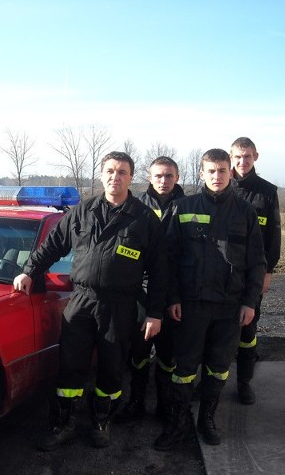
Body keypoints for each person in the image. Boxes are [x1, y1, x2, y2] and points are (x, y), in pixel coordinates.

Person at [13, 151, 167, 450]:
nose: (115, 176)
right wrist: (30, 271)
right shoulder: (83, 211)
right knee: (70, 365)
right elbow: (53, 244)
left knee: (111, 367)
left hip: (119, 305)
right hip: (82, 301)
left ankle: (101, 420)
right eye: (110, 170)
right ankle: (63, 422)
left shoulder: (145, 218)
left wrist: (155, 312)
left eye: (122, 171)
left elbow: (160, 271)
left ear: (131, 178)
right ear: (101, 174)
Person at [154, 149, 266, 450]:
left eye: (222, 170)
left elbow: (257, 262)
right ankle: (177, 425)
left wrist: (249, 302)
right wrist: (173, 297)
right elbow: (169, 258)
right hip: (191, 305)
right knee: (185, 368)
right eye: (211, 171)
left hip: (230, 307)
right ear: (201, 173)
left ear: (230, 172)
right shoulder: (183, 207)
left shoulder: (245, 212)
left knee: (218, 367)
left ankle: (207, 419)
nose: (217, 176)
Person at [114, 156, 185, 423]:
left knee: (169, 353)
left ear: (177, 177)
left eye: (169, 176)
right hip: (142, 290)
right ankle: (136, 401)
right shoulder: (136, 206)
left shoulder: (186, 207)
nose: (163, 181)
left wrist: (176, 295)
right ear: (149, 178)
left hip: (175, 293)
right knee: (139, 350)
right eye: (158, 176)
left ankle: (165, 404)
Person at [230, 137, 282, 405]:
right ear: (231, 157)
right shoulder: (222, 186)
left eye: (247, 156)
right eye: (238, 156)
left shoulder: (267, 192)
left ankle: (244, 382)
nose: (242, 162)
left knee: (248, 329)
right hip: (223, 273)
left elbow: (274, 235)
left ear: (256, 157)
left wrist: (268, 270)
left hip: (252, 272)